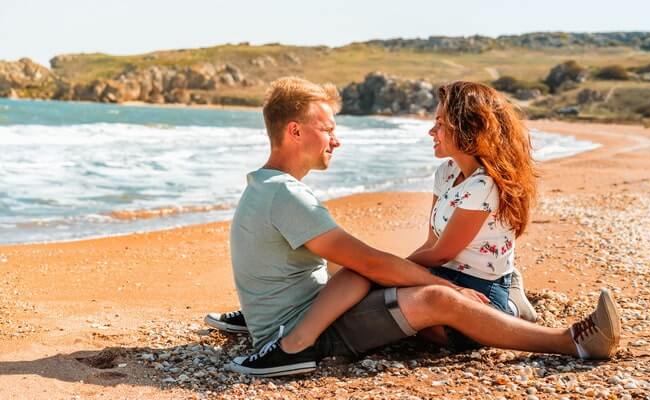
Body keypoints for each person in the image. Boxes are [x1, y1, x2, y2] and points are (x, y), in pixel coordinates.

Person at [214, 77, 621, 377]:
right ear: (295, 131)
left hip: (305, 309)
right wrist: (445, 286)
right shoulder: (288, 196)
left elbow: (405, 256)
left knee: (363, 268)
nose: (336, 140)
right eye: (329, 129)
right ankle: (568, 341)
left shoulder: (268, 188)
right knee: (397, 282)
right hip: (306, 326)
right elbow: (387, 259)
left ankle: (511, 305)